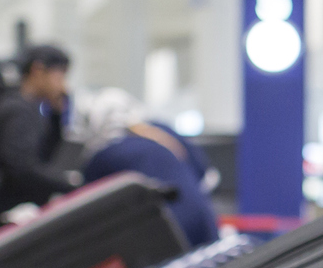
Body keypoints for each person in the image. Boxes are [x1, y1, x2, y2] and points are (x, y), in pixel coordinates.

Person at [73, 88, 221, 247]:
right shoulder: (163, 129)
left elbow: (86, 206)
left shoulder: (102, 156)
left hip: (165, 234)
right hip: (203, 222)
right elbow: (207, 176)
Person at [0, 44, 78, 236]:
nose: (63, 83)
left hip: (7, 212)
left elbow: (44, 155)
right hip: (6, 216)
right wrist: (70, 184)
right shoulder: (18, 111)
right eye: (60, 74)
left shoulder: (26, 107)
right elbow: (22, 166)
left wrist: (57, 114)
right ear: (38, 70)